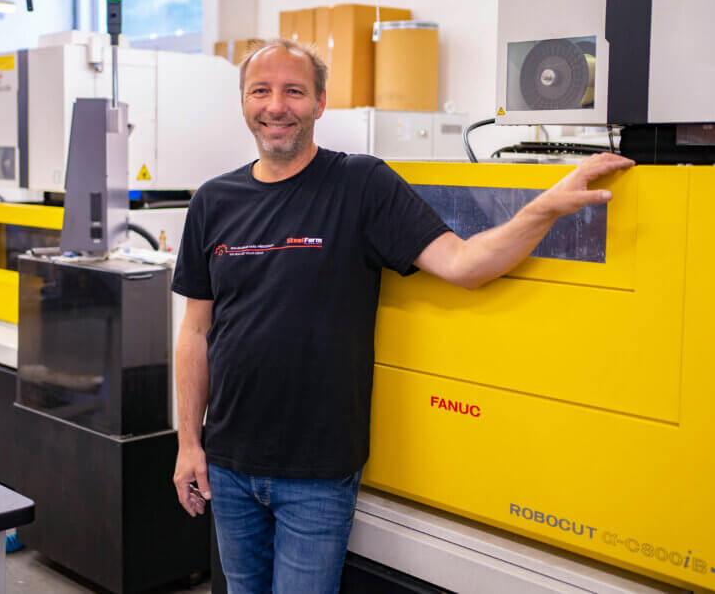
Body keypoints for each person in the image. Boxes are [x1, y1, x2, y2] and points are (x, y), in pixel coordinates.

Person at [171, 38, 633, 593]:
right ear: (244, 103)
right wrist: (189, 444)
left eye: (294, 91)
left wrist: (543, 207)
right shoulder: (213, 201)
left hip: (318, 472)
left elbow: (464, 264)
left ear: (320, 102)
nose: (276, 105)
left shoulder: (361, 185)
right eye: (261, 91)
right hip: (227, 460)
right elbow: (196, 331)